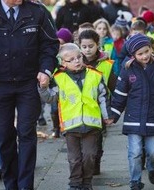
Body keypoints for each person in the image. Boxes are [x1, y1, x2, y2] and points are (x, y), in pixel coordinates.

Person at [0, 0, 60, 189]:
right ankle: (11, 184)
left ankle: (25, 185)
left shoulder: (37, 12)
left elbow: (50, 44)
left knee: (26, 134)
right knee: (3, 135)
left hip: (29, 85)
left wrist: (46, 70)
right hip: (1, 85)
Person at [110, 33, 154, 190]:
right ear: (133, 55)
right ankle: (135, 181)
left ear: (151, 49)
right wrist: (113, 114)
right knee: (135, 152)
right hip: (133, 117)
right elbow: (120, 94)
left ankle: (152, 166)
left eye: (146, 51)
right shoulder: (127, 69)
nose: (144, 56)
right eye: (140, 54)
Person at [38, 43, 113, 190]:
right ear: (63, 63)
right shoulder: (59, 78)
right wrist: (43, 87)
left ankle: (86, 183)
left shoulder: (95, 75)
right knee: (74, 159)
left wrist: (107, 116)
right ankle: (75, 183)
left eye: (79, 57)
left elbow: (103, 97)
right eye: (71, 59)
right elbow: (50, 98)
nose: (77, 61)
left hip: (92, 125)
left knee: (90, 156)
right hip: (71, 126)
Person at [78, 29, 117, 175]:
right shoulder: (75, 62)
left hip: (99, 108)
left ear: (97, 45)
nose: (87, 50)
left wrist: (116, 108)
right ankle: (83, 163)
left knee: (96, 138)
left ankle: (95, 162)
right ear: (79, 46)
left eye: (91, 46)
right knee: (81, 139)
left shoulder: (105, 64)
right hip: (79, 107)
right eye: (84, 47)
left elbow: (113, 85)